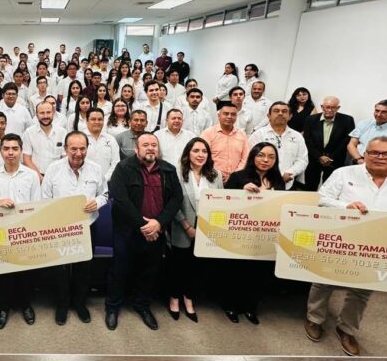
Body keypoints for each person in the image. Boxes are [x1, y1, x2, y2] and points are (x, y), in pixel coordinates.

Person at [305, 136, 387, 356]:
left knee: (362, 290)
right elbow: (321, 199)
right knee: (323, 281)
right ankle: (314, 319)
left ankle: (347, 329)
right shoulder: (344, 174)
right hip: (340, 240)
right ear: (364, 154)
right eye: (374, 152)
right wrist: (345, 206)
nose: (379, 157)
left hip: (377, 247)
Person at [106, 132, 183, 330]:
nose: (150, 148)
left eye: (154, 145)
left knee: (149, 271)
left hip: (156, 231)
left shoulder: (168, 169)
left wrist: (158, 223)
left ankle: (142, 305)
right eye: (145, 145)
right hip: (127, 230)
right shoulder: (123, 168)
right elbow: (120, 198)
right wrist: (144, 225)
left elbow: (177, 198)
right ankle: (113, 307)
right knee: (119, 270)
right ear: (136, 149)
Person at [42, 131, 108, 325]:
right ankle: (62, 304)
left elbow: (104, 194)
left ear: (87, 148)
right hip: (60, 227)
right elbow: (44, 198)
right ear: (65, 149)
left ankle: (80, 303)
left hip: (87, 226)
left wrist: (97, 202)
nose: (78, 153)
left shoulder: (96, 169)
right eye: (73, 149)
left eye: (82, 148)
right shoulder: (53, 169)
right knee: (60, 268)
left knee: (84, 267)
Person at [221, 142, 285, 324]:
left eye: (271, 157)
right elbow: (224, 203)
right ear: (253, 157)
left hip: (266, 235)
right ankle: (231, 305)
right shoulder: (238, 177)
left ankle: (250, 307)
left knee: (260, 273)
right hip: (241, 234)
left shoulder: (278, 181)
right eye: (261, 155)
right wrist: (242, 192)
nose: (266, 160)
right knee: (237, 272)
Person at [0, 134, 42, 329]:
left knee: (25, 272)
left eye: (15, 149)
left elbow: (37, 204)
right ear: (1, 151)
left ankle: (25, 305)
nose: (10, 153)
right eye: (6, 148)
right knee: (3, 272)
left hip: (24, 231)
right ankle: (4, 307)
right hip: (0, 230)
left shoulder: (31, 175)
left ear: (21, 151)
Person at [170, 138, 223, 323]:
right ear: (188, 154)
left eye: (204, 151)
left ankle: (189, 298)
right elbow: (172, 203)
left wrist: (208, 227)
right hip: (182, 226)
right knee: (178, 266)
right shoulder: (176, 173)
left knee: (197, 267)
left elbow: (220, 203)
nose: (201, 155)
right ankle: (174, 298)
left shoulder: (216, 175)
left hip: (206, 228)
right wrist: (187, 226)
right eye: (196, 151)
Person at [249, 102, 309, 190]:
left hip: (287, 183)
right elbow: (250, 158)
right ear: (268, 116)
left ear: (290, 116)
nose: (280, 113)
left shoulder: (297, 136)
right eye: (276, 111)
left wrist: (291, 172)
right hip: (261, 184)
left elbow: (302, 159)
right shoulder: (258, 135)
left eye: (284, 111)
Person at [303, 96, 356, 191]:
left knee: (330, 189)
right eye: (327, 107)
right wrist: (319, 156)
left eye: (333, 107)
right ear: (322, 107)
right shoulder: (311, 119)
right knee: (310, 186)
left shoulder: (347, 120)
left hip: (335, 159)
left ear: (338, 108)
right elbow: (307, 140)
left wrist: (330, 157)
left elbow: (346, 141)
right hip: (314, 159)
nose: (330, 110)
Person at [347, 99, 387, 163]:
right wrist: (359, 159)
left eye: (384, 112)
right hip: (357, 158)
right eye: (377, 111)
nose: (378, 114)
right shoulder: (363, 123)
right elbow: (351, 144)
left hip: (380, 162)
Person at [201, 102, 250, 183]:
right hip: (212, 177)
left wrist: (235, 176)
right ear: (219, 115)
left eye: (233, 114)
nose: (229, 117)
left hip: (237, 179)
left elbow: (246, 158)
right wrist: (217, 174)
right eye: (226, 114)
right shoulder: (207, 133)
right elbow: (203, 156)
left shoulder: (242, 134)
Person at [22, 101, 67, 180]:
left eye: (48, 112)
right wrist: (40, 178)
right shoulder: (29, 133)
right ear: (36, 115)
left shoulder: (62, 132)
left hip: (57, 177)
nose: (45, 116)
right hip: (35, 177)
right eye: (42, 113)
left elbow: (65, 158)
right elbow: (27, 159)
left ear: (53, 113)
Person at [85, 108, 120, 182]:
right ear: (87, 121)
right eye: (93, 119)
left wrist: (105, 179)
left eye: (100, 119)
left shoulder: (111, 139)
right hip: (84, 182)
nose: (97, 122)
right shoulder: (79, 138)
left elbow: (116, 162)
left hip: (107, 182)